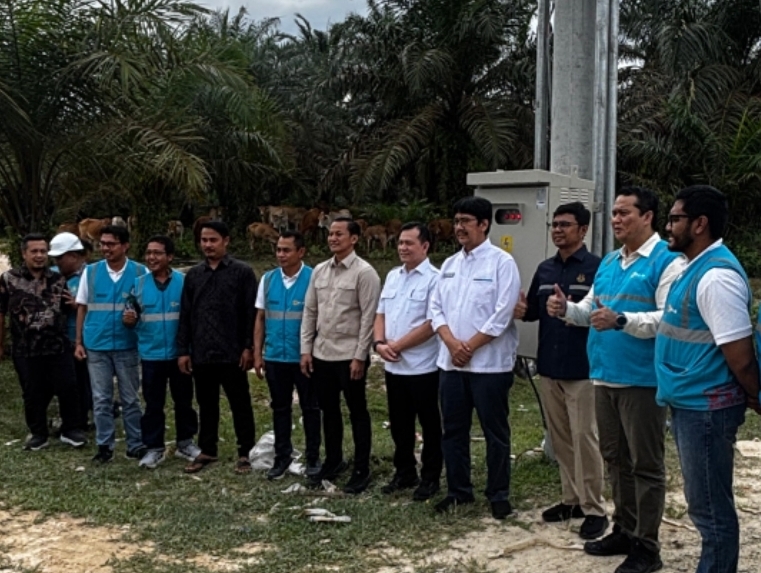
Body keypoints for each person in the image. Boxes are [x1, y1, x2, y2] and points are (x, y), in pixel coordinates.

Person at [548, 187, 684, 573]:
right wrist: (565, 309)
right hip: (604, 376)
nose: (616, 220)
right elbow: (591, 310)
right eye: (614, 213)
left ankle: (647, 546)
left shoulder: (667, 261)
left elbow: (668, 319)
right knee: (616, 461)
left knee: (645, 465)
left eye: (625, 213)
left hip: (642, 380)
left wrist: (621, 320)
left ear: (648, 217)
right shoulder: (610, 260)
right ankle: (624, 529)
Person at [655, 185, 760, 573]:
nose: (668, 226)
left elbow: (741, 358)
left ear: (699, 224)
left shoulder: (716, 278)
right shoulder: (692, 268)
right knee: (705, 505)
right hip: (691, 402)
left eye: (674, 219)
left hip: (708, 408)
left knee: (710, 509)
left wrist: (755, 395)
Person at [514, 202, 607, 539]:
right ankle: (572, 500)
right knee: (561, 438)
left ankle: (594, 508)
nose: (557, 230)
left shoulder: (598, 268)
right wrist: (522, 309)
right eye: (554, 224)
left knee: (585, 439)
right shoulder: (546, 269)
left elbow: (602, 314)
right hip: (550, 368)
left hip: (582, 369)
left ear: (583, 230)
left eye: (565, 225)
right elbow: (533, 312)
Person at [429, 196, 521, 520]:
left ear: (484, 224)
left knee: (495, 432)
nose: (458, 227)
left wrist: (468, 346)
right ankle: (458, 491)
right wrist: (452, 343)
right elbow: (435, 309)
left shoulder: (502, 263)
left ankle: (498, 494)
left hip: (489, 366)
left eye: (465, 221)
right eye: (456, 221)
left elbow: (503, 314)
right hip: (450, 365)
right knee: (453, 431)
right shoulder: (449, 265)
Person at [300, 217, 381, 494]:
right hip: (322, 353)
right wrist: (306, 350)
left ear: (354, 239)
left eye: (339, 234)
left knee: (357, 411)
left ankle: (361, 468)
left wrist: (360, 356)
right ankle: (333, 460)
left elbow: (369, 317)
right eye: (330, 234)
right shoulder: (320, 270)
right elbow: (310, 311)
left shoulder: (365, 273)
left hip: (350, 356)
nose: (332, 238)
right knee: (329, 411)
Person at [177, 221, 257, 475]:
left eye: (213, 240)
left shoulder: (242, 272)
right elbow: (186, 314)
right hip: (202, 351)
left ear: (226, 241)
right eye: (204, 240)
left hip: (233, 351)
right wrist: (183, 350)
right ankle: (207, 449)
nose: (208, 245)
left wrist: (249, 347)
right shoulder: (194, 275)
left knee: (240, 403)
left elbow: (251, 313)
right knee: (206, 403)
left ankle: (246, 451)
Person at [373, 222, 442, 501]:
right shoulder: (393, 276)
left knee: (430, 425)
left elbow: (433, 323)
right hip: (393, 365)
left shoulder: (435, 279)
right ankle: (404, 472)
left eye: (409, 243)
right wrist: (379, 343)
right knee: (400, 424)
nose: (402, 247)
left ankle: (430, 477)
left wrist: (398, 345)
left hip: (423, 366)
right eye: (400, 242)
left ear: (425, 246)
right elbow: (381, 313)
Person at [0, 234, 86, 451]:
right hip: (25, 347)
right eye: (34, 251)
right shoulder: (9, 279)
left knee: (68, 386)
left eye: (43, 251)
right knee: (32, 392)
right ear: (24, 254)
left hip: (57, 345)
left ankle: (71, 430)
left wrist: (75, 305)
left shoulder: (58, 279)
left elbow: (68, 308)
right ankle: (38, 433)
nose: (39, 255)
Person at [123, 235, 200, 469]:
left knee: (184, 401)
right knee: (153, 404)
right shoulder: (138, 285)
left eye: (157, 253)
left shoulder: (184, 282)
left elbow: (193, 317)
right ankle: (154, 448)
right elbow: (130, 314)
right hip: (151, 355)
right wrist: (128, 319)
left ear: (170, 257)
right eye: (148, 253)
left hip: (180, 355)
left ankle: (186, 442)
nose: (151, 257)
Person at [253, 231, 321, 480]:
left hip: (304, 358)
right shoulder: (268, 279)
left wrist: (310, 351)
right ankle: (282, 456)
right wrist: (258, 353)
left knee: (310, 408)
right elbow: (260, 318)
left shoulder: (314, 278)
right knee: (280, 408)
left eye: (286, 250)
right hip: (275, 357)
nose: (281, 254)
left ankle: (313, 457)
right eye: (278, 250)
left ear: (300, 252)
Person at [75, 225, 147, 463]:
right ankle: (104, 446)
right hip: (97, 344)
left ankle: (135, 444)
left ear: (125, 246)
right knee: (101, 399)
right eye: (102, 243)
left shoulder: (140, 272)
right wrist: (79, 342)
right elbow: (82, 307)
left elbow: (146, 306)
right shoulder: (91, 272)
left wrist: (135, 317)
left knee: (130, 398)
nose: (105, 248)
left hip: (128, 344)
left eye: (111, 244)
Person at [48, 232, 92, 432]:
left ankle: (82, 420)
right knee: (62, 383)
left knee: (82, 382)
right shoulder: (51, 275)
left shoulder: (91, 275)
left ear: (74, 256)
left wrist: (79, 305)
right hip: (57, 340)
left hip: (82, 339)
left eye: (60, 258)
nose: (56, 262)